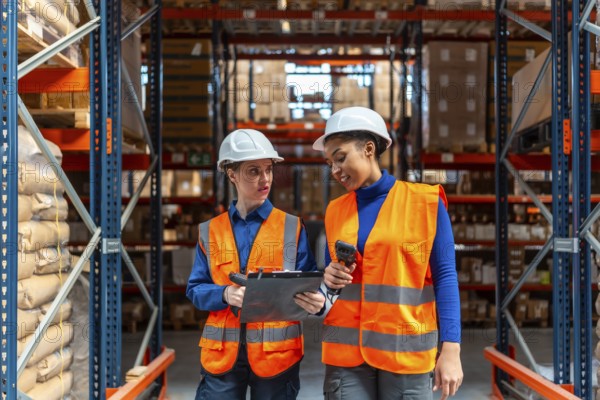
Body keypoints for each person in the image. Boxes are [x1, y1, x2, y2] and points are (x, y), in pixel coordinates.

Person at [313, 107, 463, 400]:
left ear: (369, 149)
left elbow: (445, 277)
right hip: (346, 356)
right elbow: (335, 287)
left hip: (405, 352)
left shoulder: (426, 203)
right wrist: (326, 279)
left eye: (341, 158)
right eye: (330, 163)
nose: (335, 170)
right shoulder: (335, 211)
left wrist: (451, 349)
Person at [187, 128, 326, 400]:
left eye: (268, 170)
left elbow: (308, 287)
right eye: (253, 171)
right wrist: (225, 294)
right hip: (223, 355)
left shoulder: (292, 228)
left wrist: (318, 302)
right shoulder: (210, 231)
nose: (265, 179)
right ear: (231, 174)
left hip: (276, 357)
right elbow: (195, 288)